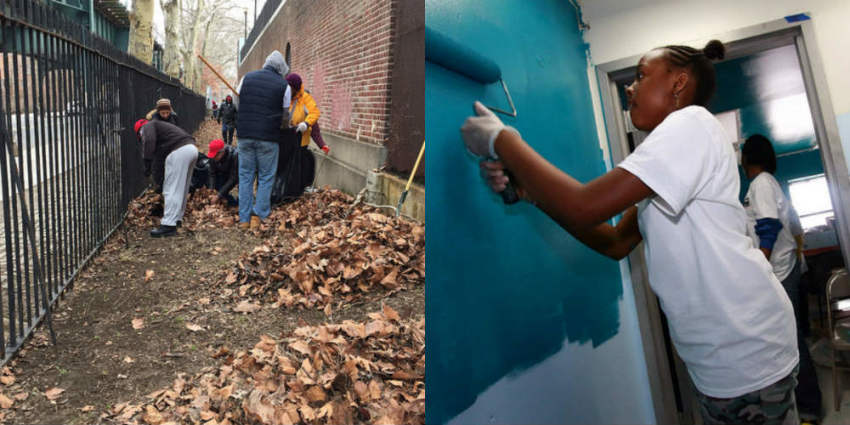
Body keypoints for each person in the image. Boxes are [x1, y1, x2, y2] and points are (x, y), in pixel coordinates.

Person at [461, 40, 800, 424]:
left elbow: (585, 205)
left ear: (679, 83)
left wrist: (501, 139)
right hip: (722, 356)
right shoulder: (664, 160)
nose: (629, 87)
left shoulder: (691, 124)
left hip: (746, 353)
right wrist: (530, 194)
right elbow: (615, 241)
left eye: (641, 75)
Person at [742, 134, 822, 422]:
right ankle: (801, 406)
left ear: (747, 158)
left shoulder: (761, 183)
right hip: (783, 269)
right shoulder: (769, 185)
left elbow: (768, 226)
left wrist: (759, 262)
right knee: (789, 337)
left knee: (791, 339)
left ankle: (810, 409)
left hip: (779, 271)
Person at [235, 50, 291, 230]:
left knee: (245, 176)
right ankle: (257, 217)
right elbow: (285, 116)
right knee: (266, 177)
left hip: (245, 135)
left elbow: (238, 103)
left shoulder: (246, 78)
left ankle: (243, 219)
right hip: (268, 137)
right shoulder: (284, 85)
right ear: (282, 68)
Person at [135, 118, 198, 237]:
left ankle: (169, 225)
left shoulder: (147, 127)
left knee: (171, 189)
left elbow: (149, 141)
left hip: (179, 151)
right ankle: (177, 219)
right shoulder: (163, 132)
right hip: (191, 149)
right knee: (181, 189)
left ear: (139, 132)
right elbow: (159, 161)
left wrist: (146, 163)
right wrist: (158, 178)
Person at [286, 73, 328, 154]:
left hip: (301, 144)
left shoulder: (305, 98)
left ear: (295, 89)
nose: (287, 91)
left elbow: (314, 119)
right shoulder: (283, 97)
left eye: (290, 89)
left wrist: (322, 144)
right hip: (285, 142)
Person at [207, 139, 238, 206]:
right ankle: (229, 201)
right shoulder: (212, 157)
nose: (214, 158)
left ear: (222, 152)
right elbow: (212, 173)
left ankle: (238, 204)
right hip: (222, 172)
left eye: (215, 156)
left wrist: (219, 195)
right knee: (220, 187)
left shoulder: (235, 156)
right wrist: (211, 188)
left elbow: (233, 178)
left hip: (236, 174)